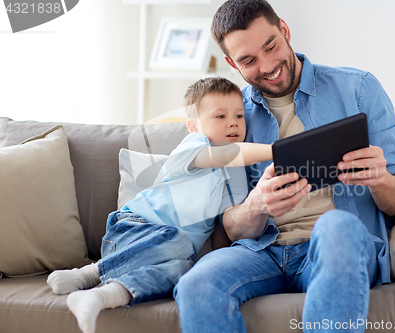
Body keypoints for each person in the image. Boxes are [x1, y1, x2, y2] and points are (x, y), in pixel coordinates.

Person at [173, 1, 395, 332]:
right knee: (196, 284)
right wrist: (256, 206)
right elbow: (227, 229)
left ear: (285, 30)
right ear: (233, 64)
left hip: (336, 245)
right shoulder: (233, 118)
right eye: (248, 60)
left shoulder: (357, 89)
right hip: (263, 252)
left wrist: (381, 180)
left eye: (271, 46)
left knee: (338, 226)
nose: (267, 65)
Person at [46, 77, 273, 333]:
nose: (233, 122)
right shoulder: (194, 147)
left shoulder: (238, 178)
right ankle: (90, 273)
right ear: (193, 127)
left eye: (240, 116)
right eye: (220, 116)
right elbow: (228, 155)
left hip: (173, 252)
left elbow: (222, 228)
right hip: (135, 229)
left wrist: (216, 262)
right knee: (177, 240)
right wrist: (276, 151)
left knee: (184, 269)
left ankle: (100, 296)